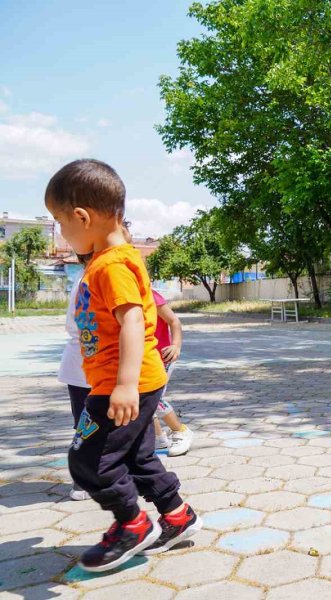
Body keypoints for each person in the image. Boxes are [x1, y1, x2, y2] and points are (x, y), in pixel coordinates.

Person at [45, 159, 202, 572]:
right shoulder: (108, 258)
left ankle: (132, 524)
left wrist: (125, 386)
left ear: (82, 216)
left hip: (122, 384)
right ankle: (178, 516)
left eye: (61, 224)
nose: (62, 234)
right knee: (135, 457)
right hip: (130, 381)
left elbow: (133, 320)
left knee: (88, 461)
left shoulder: (112, 264)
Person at [58, 253, 93, 501]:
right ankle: (82, 480)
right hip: (88, 365)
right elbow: (87, 325)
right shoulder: (90, 278)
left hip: (84, 364)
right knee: (86, 425)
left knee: (86, 424)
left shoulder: (86, 276)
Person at [150, 289, 193, 456]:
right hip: (140, 358)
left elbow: (174, 321)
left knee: (152, 399)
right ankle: (159, 438)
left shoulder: (150, 295)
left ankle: (180, 430)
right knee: (143, 401)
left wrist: (176, 345)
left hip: (162, 357)